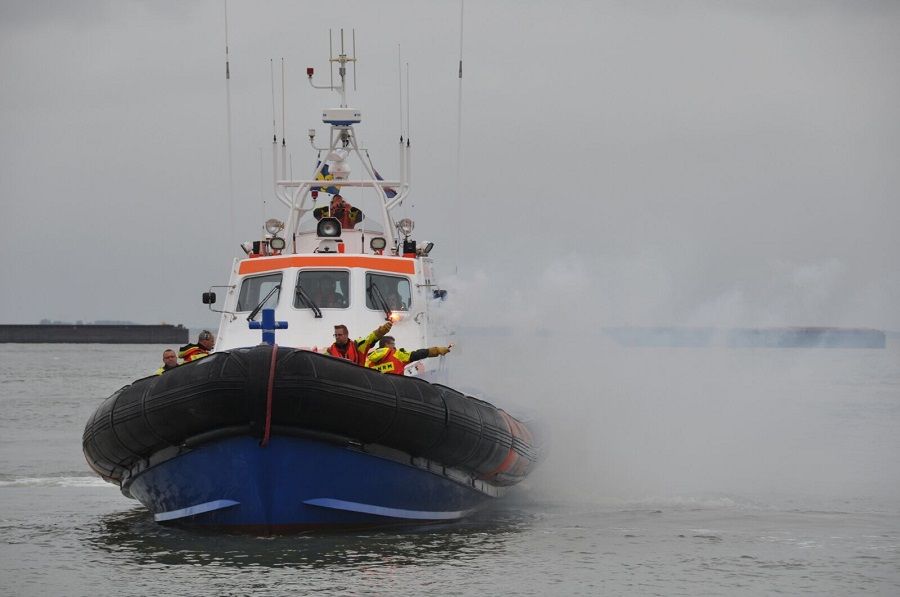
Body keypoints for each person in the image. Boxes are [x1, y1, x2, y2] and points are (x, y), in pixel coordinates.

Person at [365, 336, 452, 375]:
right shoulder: (396, 355)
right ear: (386, 344)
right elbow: (416, 355)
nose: (394, 346)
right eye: (392, 344)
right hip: (394, 390)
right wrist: (436, 350)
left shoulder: (368, 358)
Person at [326, 320, 392, 365]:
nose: (337, 337)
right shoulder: (330, 351)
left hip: (357, 377)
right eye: (335, 335)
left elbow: (369, 339)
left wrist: (380, 332)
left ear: (346, 335)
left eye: (340, 335)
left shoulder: (357, 345)